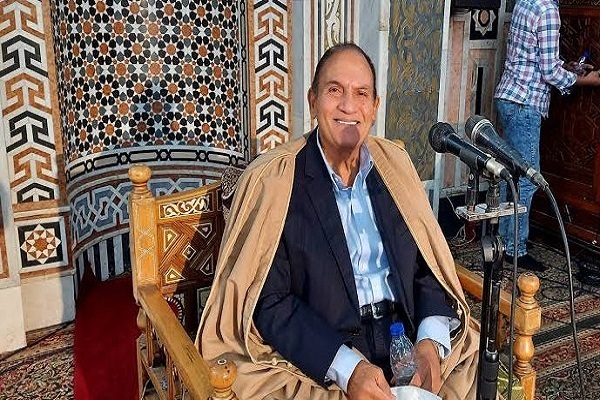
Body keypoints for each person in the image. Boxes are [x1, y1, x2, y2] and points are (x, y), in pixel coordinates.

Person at [196, 43, 480, 400]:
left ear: (374, 107)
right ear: (313, 100)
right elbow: (271, 301)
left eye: (361, 94)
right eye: (335, 90)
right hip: (323, 359)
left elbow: (428, 265)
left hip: (407, 339)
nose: (349, 106)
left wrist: (429, 341)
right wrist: (347, 368)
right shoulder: (276, 180)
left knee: (476, 374)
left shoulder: (394, 165)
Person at [494, 0, 600, 272]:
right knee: (528, 179)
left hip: (508, 98)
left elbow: (534, 56)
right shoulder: (548, 10)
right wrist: (586, 80)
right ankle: (515, 249)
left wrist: (569, 67)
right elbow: (549, 72)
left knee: (510, 175)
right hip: (525, 105)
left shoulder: (526, 2)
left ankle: (504, 242)